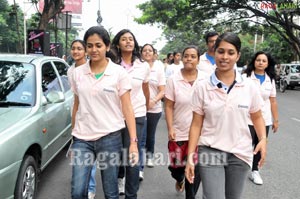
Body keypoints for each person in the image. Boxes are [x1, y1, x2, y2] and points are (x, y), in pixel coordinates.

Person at [185, 32, 267, 199]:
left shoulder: (249, 86)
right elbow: (196, 124)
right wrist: (190, 157)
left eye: (231, 52)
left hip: (240, 153)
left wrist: (263, 140)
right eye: (220, 51)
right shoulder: (202, 87)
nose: (224, 57)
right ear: (214, 53)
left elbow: (257, 116)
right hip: (210, 150)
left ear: (238, 55)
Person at [69, 26, 138, 199]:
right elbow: (77, 104)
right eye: (90, 45)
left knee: (110, 191)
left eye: (98, 45)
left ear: (107, 47)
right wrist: (73, 135)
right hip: (82, 139)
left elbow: (128, 108)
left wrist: (133, 142)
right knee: (77, 191)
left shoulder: (118, 73)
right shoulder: (77, 73)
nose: (94, 50)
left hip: (110, 137)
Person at [111, 29, 150, 198]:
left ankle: (131, 194)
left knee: (132, 156)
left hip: (137, 114)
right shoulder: (111, 64)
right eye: (124, 39)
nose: (128, 42)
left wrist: (145, 108)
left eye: (131, 39)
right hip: (114, 116)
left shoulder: (143, 65)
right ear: (118, 43)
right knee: (117, 154)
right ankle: (119, 177)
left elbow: (145, 90)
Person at [165, 45, 204, 198]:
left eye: (193, 56)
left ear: (198, 60)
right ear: (181, 58)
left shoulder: (206, 79)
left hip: (200, 133)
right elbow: (168, 106)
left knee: (194, 168)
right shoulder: (173, 80)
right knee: (176, 167)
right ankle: (179, 178)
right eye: (186, 56)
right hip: (179, 131)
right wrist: (170, 128)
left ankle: (190, 195)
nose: (189, 59)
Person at [67, 39, 97, 199]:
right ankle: (85, 184)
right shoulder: (71, 71)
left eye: (79, 48)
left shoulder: (93, 67)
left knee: (90, 152)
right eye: (73, 49)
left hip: (93, 114)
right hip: (78, 111)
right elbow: (75, 97)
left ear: (85, 51)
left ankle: (90, 186)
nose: (76, 51)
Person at [243, 51, 279, 185]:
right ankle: (239, 168)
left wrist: (275, 120)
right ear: (254, 61)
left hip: (264, 119)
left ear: (267, 64)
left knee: (260, 145)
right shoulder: (245, 76)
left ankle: (255, 171)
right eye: (258, 60)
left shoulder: (270, 79)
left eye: (264, 61)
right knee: (245, 145)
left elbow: (273, 100)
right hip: (246, 117)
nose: (261, 63)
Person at [141, 44, 166, 172]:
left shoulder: (159, 68)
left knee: (150, 135)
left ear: (153, 53)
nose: (147, 52)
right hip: (139, 107)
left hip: (154, 107)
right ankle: (139, 162)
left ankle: (149, 155)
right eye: (144, 50)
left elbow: (163, 90)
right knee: (141, 135)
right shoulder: (137, 67)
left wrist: (153, 101)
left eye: (149, 50)